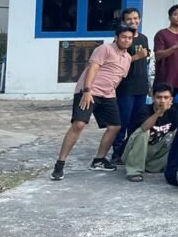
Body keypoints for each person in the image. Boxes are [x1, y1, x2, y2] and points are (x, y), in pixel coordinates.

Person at [50, 25, 134, 180]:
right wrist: (87, 91)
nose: (126, 40)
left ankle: (99, 160)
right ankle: (60, 164)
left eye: (129, 38)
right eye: (124, 37)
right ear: (116, 37)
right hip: (89, 92)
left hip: (108, 95)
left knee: (115, 126)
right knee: (79, 124)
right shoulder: (105, 49)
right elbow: (92, 69)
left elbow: (118, 77)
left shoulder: (128, 58)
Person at [122, 83, 178, 182]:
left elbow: (177, 133)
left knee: (177, 135)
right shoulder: (145, 109)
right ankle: (134, 170)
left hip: (155, 154)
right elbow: (144, 127)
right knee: (144, 132)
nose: (162, 101)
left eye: (166, 97)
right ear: (153, 98)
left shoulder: (173, 111)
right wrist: (159, 113)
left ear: (171, 99)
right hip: (134, 151)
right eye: (159, 97)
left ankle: (159, 166)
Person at [112, 7, 150, 164]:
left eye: (135, 18)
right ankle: (117, 153)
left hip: (141, 86)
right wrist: (136, 57)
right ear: (123, 21)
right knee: (123, 121)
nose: (133, 22)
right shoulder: (121, 39)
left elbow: (146, 61)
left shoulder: (143, 38)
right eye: (129, 19)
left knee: (136, 122)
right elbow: (115, 62)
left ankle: (132, 151)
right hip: (126, 87)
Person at [153, 4, 178, 96]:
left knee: (177, 108)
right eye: (176, 14)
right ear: (169, 17)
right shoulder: (161, 34)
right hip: (165, 79)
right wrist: (175, 47)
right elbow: (157, 56)